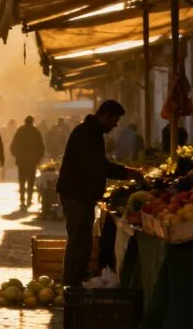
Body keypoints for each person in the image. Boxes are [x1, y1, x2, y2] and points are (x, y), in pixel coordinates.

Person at [58, 101, 143, 286]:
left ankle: (74, 280)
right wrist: (127, 173)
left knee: (81, 241)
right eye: (115, 120)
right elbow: (96, 165)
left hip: (80, 194)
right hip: (76, 194)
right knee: (79, 242)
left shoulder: (91, 132)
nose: (116, 125)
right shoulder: (87, 133)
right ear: (105, 116)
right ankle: (72, 283)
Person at [10, 115, 45, 208]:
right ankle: (29, 198)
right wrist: (39, 158)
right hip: (32, 160)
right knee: (31, 180)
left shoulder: (20, 131)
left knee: (22, 180)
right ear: (32, 121)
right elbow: (41, 146)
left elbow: (14, 144)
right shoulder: (35, 131)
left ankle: (22, 199)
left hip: (21, 159)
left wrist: (15, 154)